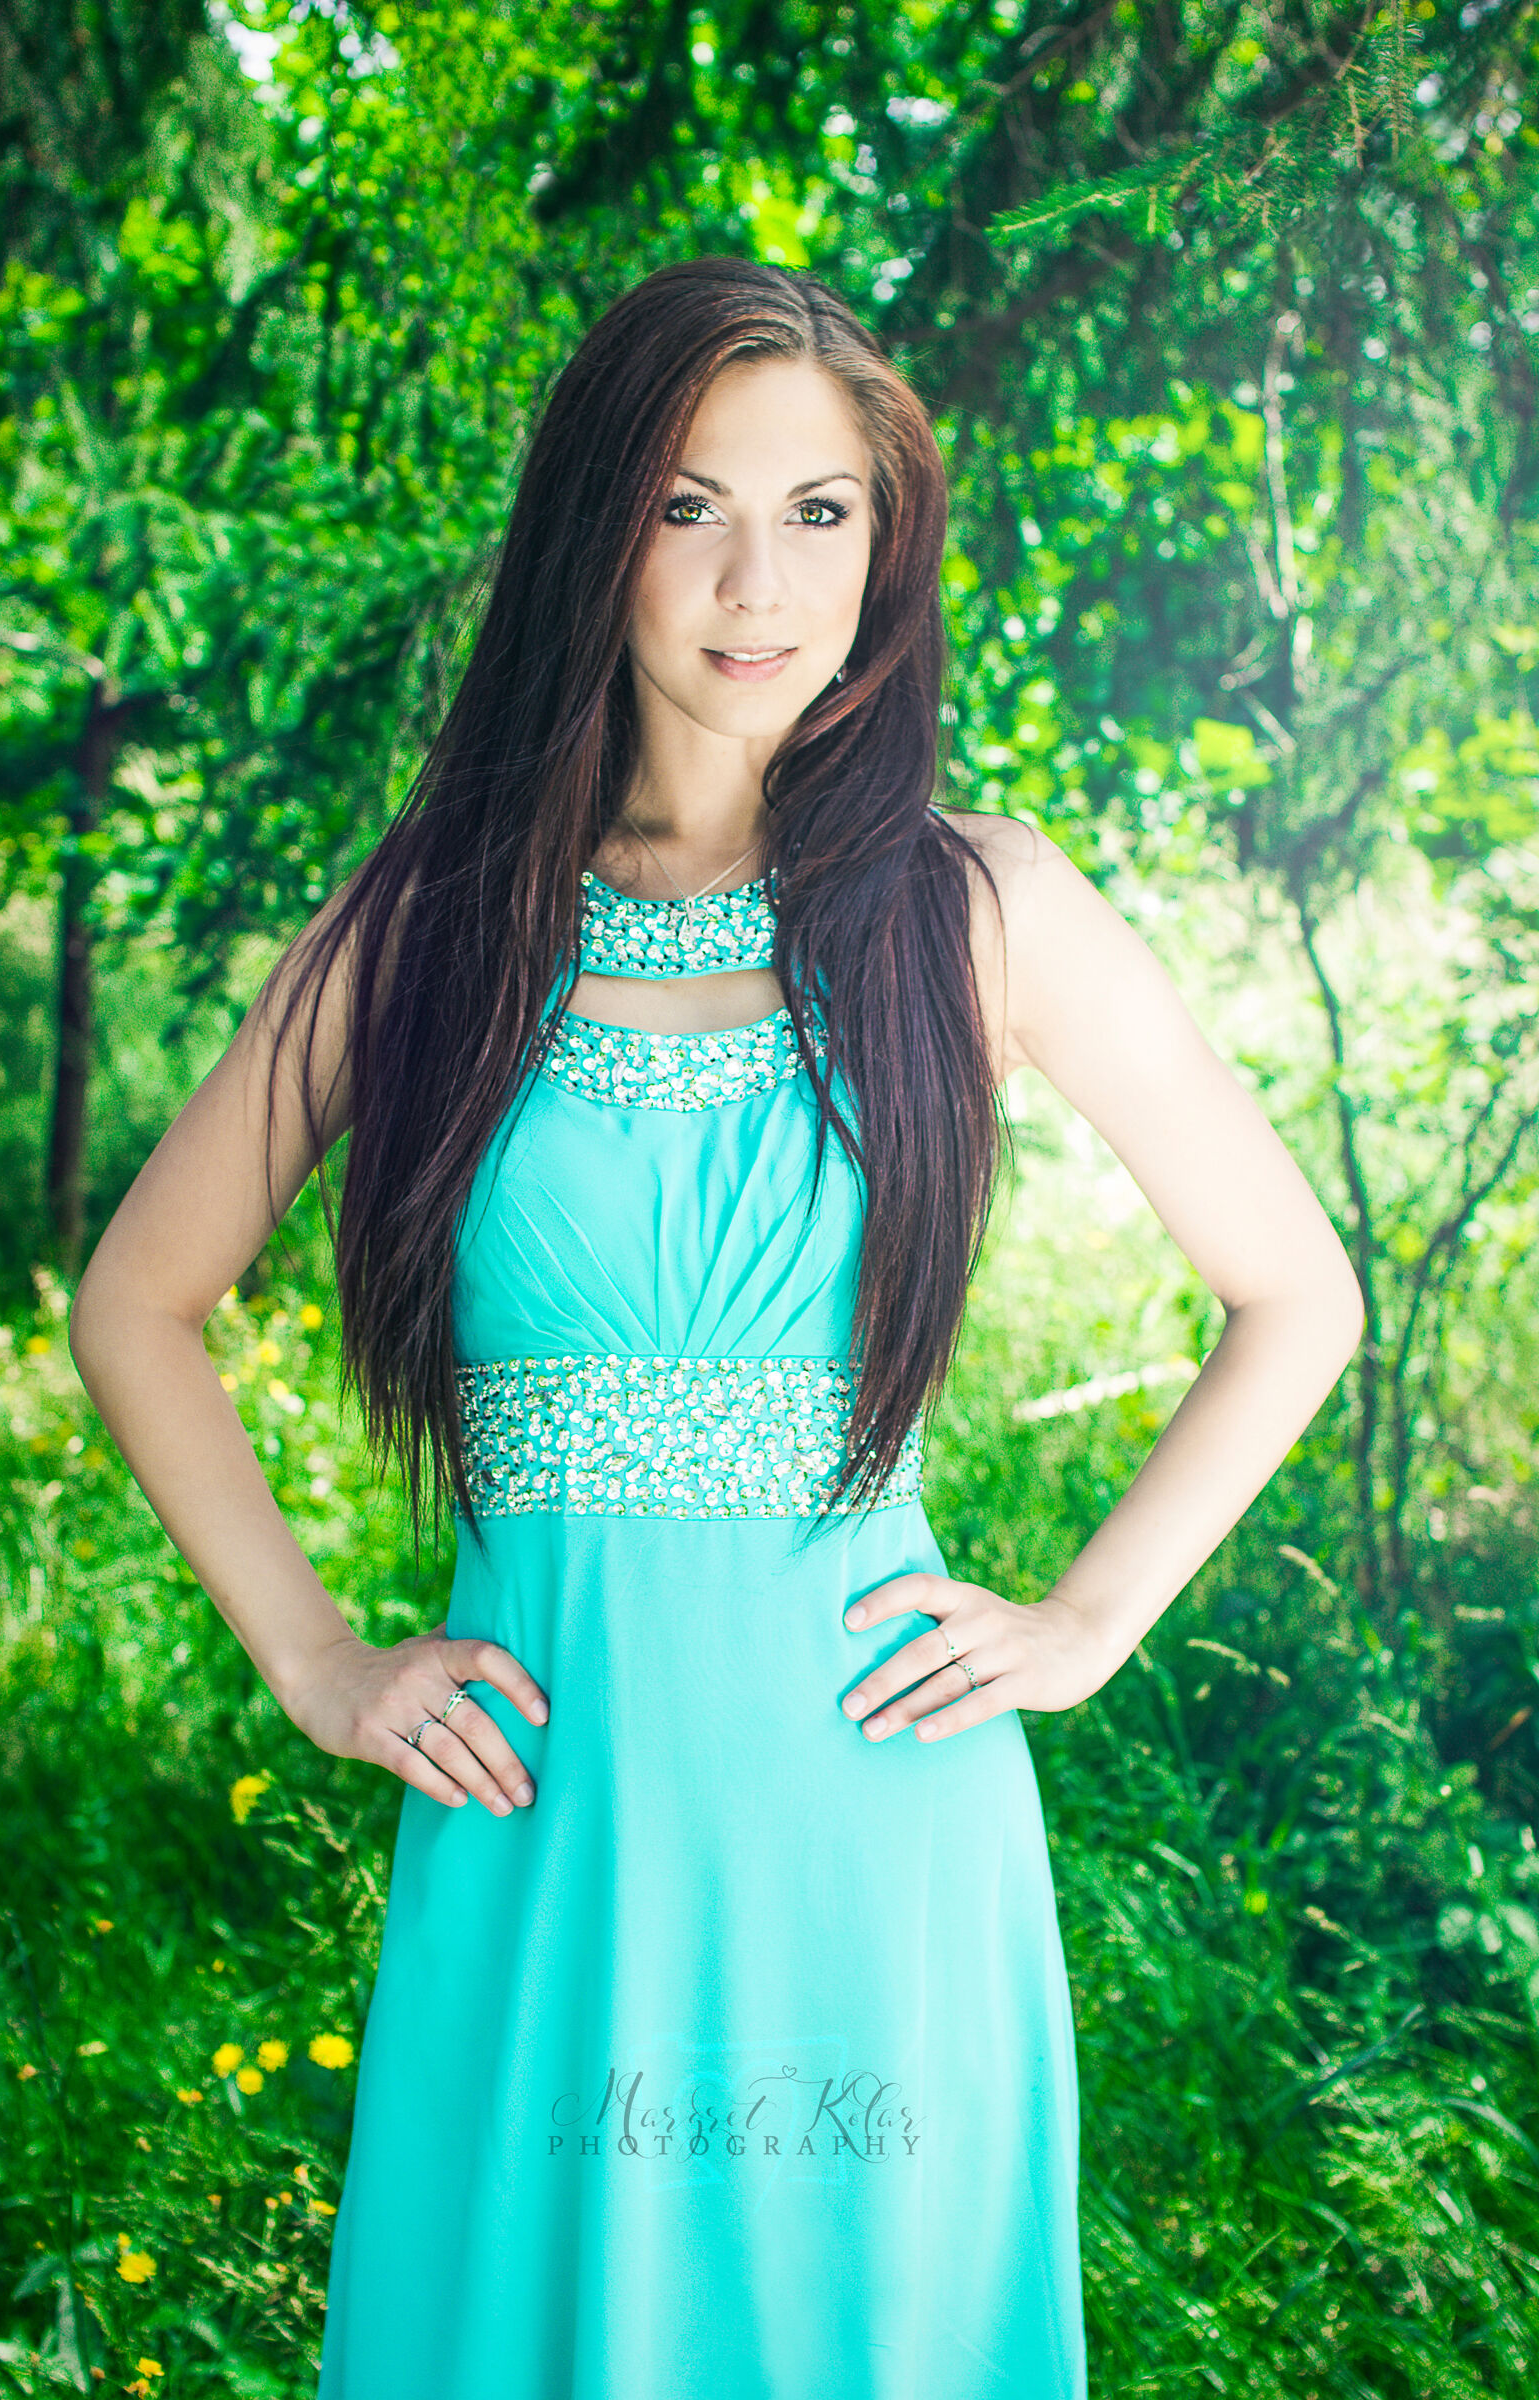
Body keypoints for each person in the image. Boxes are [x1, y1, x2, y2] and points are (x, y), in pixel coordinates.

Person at [69, 256, 1364, 2398]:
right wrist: (318, 1661)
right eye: (691, 506)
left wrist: (1085, 1621)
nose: (761, 582)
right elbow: (137, 1301)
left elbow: (1293, 1293)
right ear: (597, 529)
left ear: (885, 544)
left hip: (872, 1829)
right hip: (543, 1838)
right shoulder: (432, 922)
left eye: (819, 512)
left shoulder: (978, 906)